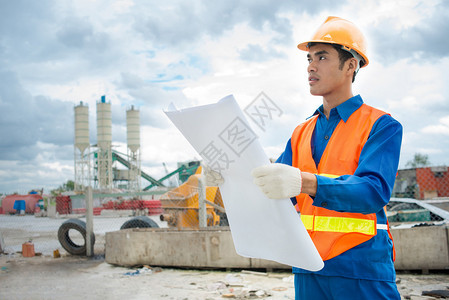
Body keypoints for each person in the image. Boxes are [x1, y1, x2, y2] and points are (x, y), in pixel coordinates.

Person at [251, 16, 402, 299]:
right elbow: (278, 196)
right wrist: (236, 175)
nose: (310, 66)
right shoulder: (301, 132)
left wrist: (304, 182)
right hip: (309, 266)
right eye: (309, 58)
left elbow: (373, 191)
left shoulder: (381, 125)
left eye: (322, 56)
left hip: (361, 267)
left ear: (350, 65)